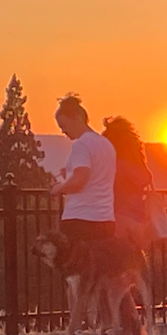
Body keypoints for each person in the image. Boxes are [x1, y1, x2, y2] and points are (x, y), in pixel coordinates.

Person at [49, 94, 117, 248]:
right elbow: (96, 176)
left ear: (77, 118)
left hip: (80, 220)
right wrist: (70, 174)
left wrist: (58, 188)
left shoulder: (81, 144)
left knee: (76, 268)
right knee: (100, 269)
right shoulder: (106, 144)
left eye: (64, 125)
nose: (63, 131)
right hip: (106, 220)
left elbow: (80, 180)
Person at [103, 116, 154, 251]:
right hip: (137, 216)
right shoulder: (135, 158)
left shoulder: (111, 161)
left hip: (115, 215)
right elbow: (146, 178)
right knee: (135, 259)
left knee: (117, 260)